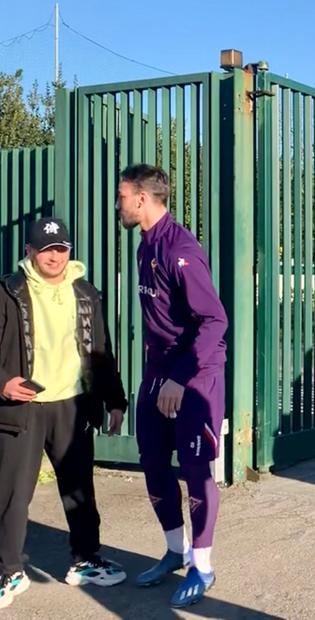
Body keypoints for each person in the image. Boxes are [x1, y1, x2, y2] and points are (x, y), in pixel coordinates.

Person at [115, 164, 228, 608]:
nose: (118, 205)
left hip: (195, 375)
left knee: (196, 472)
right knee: (153, 463)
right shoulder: (145, 246)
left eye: (122, 196)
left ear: (142, 199)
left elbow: (215, 320)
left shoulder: (181, 249)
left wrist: (181, 379)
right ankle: (175, 550)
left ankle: (202, 565)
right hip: (158, 373)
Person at [0, 217, 128, 609]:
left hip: (73, 406)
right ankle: (8, 572)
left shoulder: (86, 293)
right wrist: (2, 384)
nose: (54, 257)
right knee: (12, 494)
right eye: (46, 250)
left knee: (79, 490)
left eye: (61, 249)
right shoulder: (9, 291)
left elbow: (100, 351)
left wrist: (115, 400)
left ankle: (85, 561)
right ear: (29, 252)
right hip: (23, 407)